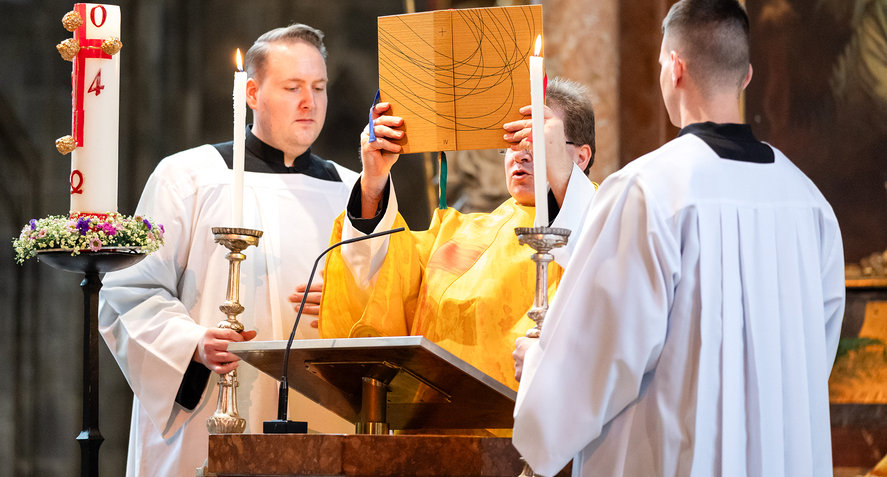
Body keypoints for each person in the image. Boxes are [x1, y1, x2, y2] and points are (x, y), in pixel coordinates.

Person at [512, 0, 846, 476]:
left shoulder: (648, 189)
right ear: (746, 76)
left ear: (674, 68)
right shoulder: (810, 204)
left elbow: (596, 358)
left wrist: (538, 370)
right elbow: (814, 354)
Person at [99, 24, 358, 477]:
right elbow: (129, 292)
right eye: (293, 87)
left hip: (321, 416)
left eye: (318, 88)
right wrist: (192, 345)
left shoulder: (353, 193)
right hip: (208, 409)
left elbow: (390, 302)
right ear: (252, 93)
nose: (309, 102)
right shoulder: (187, 177)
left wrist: (353, 301)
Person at [319, 78, 598, 389]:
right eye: (512, 141)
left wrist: (563, 181)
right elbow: (386, 286)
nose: (521, 153)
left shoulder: (602, 223)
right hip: (437, 414)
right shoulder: (456, 233)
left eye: (538, 141)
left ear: (581, 157)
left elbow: (607, 282)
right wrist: (373, 182)